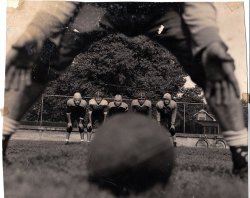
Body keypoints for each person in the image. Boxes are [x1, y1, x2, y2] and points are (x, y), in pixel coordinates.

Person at [4, 2, 247, 179]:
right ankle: (2, 136)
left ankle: (242, 155)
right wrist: (37, 32)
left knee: (215, 64)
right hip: (102, 7)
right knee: (38, 59)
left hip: (162, 10)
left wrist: (209, 41)